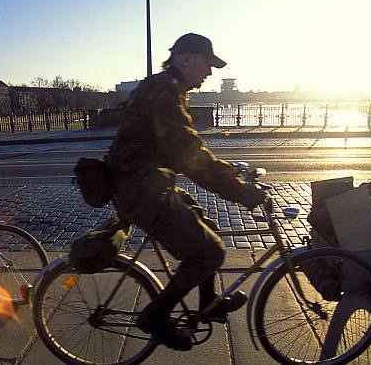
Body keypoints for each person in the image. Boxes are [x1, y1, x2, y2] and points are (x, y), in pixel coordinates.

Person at [107, 33, 266, 351]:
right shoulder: (163, 91)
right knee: (209, 252)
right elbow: (186, 152)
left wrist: (227, 171)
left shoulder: (170, 88)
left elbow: (188, 148)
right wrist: (239, 191)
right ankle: (155, 315)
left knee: (209, 229)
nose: (209, 73)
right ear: (186, 58)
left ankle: (209, 301)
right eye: (208, 64)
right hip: (139, 188)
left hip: (149, 182)